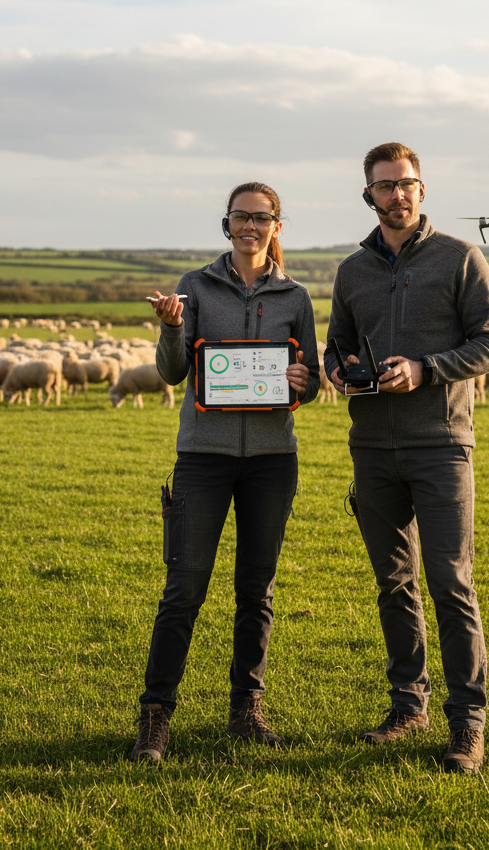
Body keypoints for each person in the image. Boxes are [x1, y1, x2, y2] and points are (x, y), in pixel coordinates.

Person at [324, 142, 489, 774]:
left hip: (441, 445)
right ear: (369, 195)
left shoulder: (460, 258)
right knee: (393, 583)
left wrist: (427, 369)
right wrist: (340, 370)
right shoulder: (352, 271)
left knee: (451, 583)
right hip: (372, 447)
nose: (397, 194)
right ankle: (408, 705)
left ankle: (467, 724)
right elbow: (336, 345)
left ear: (421, 189)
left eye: (406, 183)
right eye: (385, 185)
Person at [130, 181, 321, 764]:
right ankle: (155, 718)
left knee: (256, 591)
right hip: (203, 458)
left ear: (276, 226)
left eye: (261, 218)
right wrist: (170, 327)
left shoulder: (295, 296)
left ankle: (246, 710)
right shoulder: (194, 287)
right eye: (241, 217)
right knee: (183, 589)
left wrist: (302, 381)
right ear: (227, 224)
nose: (250, 226)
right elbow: (171, 374)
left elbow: (310, 378)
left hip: (272, 461)